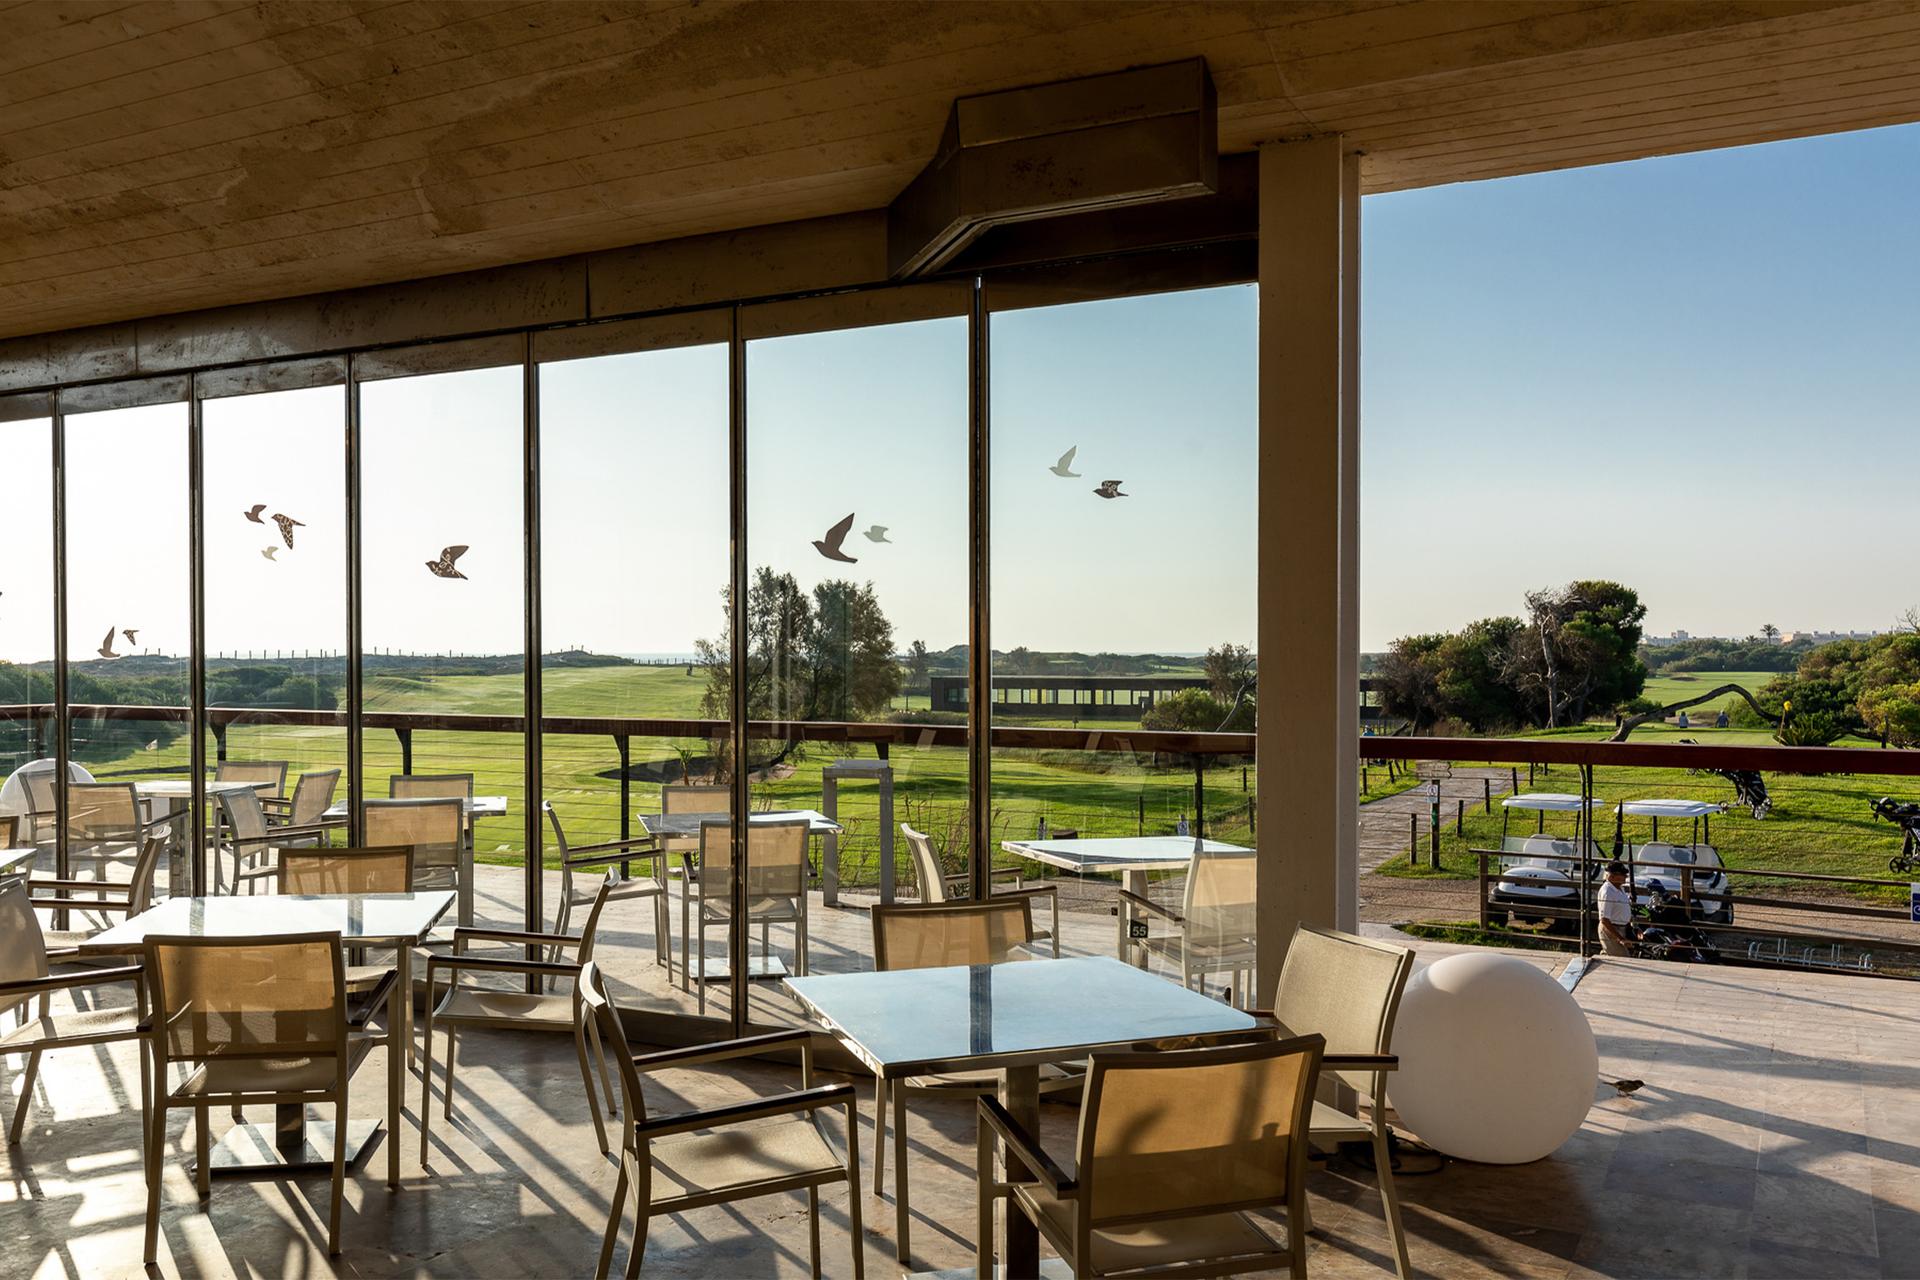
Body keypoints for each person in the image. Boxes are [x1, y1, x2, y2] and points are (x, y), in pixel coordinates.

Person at [1597, 859, 1634, 956]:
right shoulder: (1608, 892)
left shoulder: (1619, 888)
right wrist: (1620, 938)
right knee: (1623, 958)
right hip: (1611, 930)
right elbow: (1604, 920)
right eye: (1622, 874)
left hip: (1620, 928)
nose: (1625, 876)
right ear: (1612, 876)